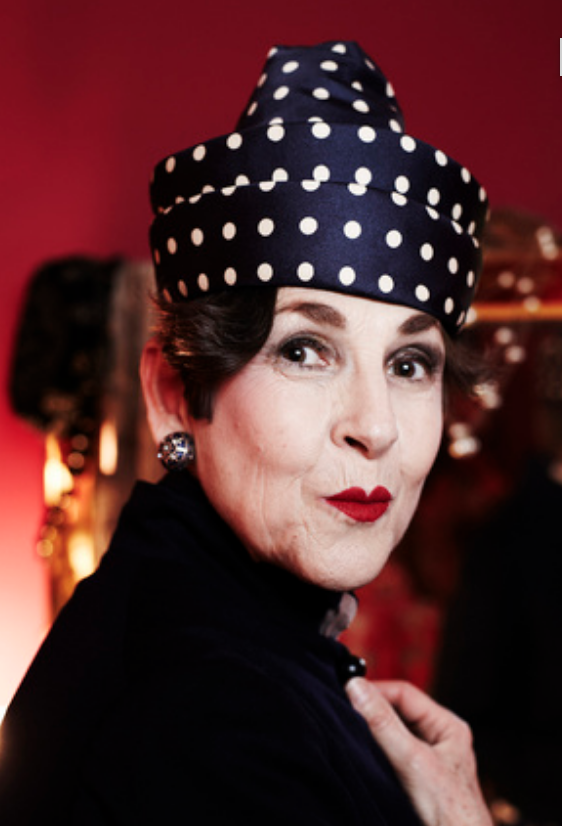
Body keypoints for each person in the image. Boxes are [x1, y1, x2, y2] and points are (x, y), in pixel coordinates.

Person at [0, 41, 492, 825]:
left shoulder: (206, 623)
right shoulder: (217, 713)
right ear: (175, 394)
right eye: (305, 351)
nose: (374, 427)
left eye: (409, 364)